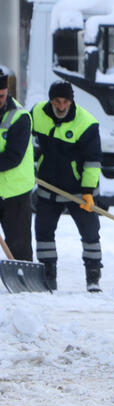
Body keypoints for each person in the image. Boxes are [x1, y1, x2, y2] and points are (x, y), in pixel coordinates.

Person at [31, 81, 103, 292]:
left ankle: (93, 276)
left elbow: (93, 161)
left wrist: (88, 192)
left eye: (65, 102)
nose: (61, 107)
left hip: (80, 191)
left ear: (71, 101)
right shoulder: (37, 113)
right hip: (48, 187)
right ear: (50, 100)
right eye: (57, 102)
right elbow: (23, 139)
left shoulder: (86, 123)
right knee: (43, 233)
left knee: (90, 234)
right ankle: (48, 275)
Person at [0, 67, 35, 262]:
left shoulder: (20, 117)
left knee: (18, 248)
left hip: (15, 194)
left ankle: (24, 287)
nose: (0, 100)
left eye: (2, 95)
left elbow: (13, 156)